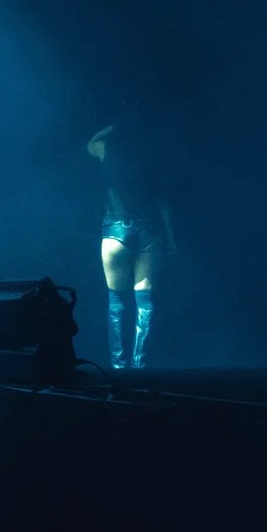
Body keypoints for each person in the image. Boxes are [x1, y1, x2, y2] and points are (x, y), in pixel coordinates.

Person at [86, 119, 175, 370]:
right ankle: (140, 369)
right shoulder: (150, 160)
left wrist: (112, 127)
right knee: (145, 301)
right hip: (149, 230)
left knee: (116, 301)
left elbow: (91, 143)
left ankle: (117, 367)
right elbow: (164, 204)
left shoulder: (106, 152)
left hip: (115, 230)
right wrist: (171, 238)